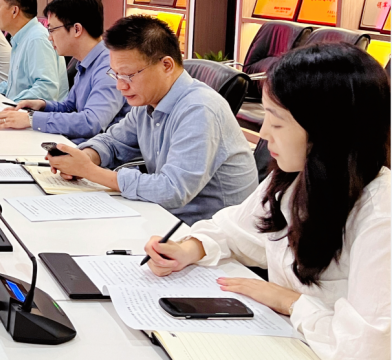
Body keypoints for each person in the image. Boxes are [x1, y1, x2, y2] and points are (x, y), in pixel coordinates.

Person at [144, 43, 390, 360]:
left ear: (326, 130)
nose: (262, 133)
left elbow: (367, 347)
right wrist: (188, 249)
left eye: (276, 121)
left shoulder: (381, 216)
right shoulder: (296, 178)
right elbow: (235, 230)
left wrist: (289, 302)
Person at [46, 15, 257, 224]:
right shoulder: (147, 100)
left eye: (128, 75)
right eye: (116, 75)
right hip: (164, 218)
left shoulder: (199, 109)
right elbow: (114, 142)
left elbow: (172, 190)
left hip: (205, 232)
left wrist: (90, 171)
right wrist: (84, 158)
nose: (120, 86)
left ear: (166, 65)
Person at [0, 0, 128, 143]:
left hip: (95, 150)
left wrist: (32, 119)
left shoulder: (109, 65)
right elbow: (70, 106)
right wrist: (42, 105)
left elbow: (92, 122)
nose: (49, 37)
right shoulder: (85, 61)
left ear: (77, 29)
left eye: (52, 30)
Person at [0, 0, 68, 102]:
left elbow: (46, 90)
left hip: (35, 112)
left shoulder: (37, 39)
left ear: (14, 11)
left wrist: (11, 104)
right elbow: (13, 85)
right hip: (20, 108)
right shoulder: (21, 38)